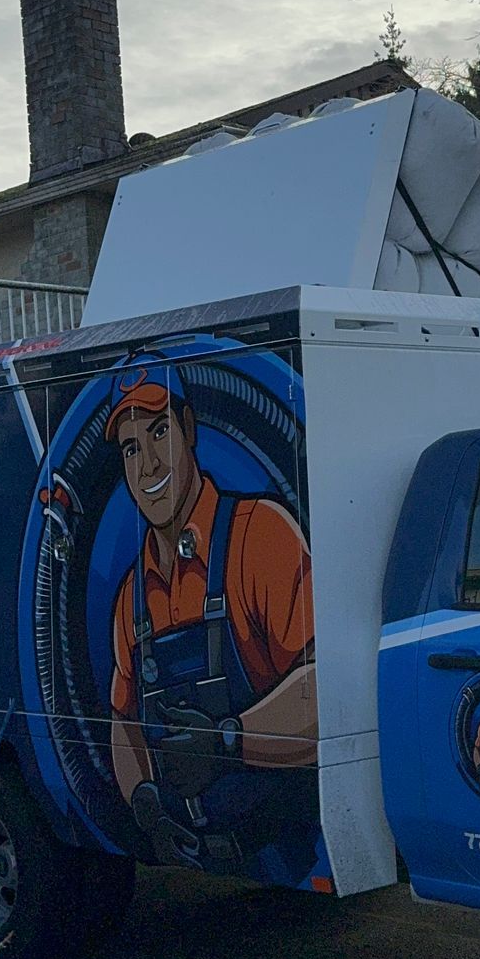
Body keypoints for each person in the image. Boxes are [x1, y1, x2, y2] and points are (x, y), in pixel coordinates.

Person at [107, 365, 316, 865]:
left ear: (189, 429)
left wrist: (226, 741)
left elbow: (321, 692)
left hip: (288, 849)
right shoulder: (132, 596)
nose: (150, 465)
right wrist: (144, 801)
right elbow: (123, 723)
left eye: (159, 432)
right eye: (132, 448)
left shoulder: (261, 537)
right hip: (199, 854)